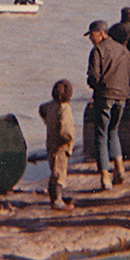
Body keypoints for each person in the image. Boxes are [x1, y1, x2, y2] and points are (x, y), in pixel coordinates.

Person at [85, 19, 130, 189]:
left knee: (101, 135)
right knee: (114, 131)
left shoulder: (97, 51)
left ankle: (105, 177)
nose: (91, 39)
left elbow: (93, 78)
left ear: (102, 33)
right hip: (122, 96)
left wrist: (94, 85)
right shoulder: (123, 49)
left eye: (92, 35)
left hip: (104, 96)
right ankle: (120, 168)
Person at [39, 79, 75, 210]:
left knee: (54, 172)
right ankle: (57, 201)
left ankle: (55, 197)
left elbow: (41, 108)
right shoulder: (65, 109)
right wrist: (69, 140)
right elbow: (65, 131)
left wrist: (46, 120)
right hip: (61, 146)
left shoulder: (51, 106)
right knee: (60, 174)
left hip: (51, 143)